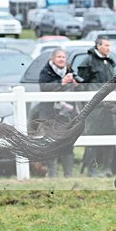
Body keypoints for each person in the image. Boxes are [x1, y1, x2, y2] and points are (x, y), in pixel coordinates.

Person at [78, 36, 116, 177]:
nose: (109, 48)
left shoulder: (109, 61)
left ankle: (107, 169)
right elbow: (83, 85)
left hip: (109, 105)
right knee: (93, 138)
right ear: (98, 46)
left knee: (112, 136)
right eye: (106, 45)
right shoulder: (88, 62)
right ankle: (91, 170)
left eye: (109, 46)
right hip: (95, 107)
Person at [38, 49, 79, 177]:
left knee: (68, 144)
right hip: (50, 114)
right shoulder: (45, 72)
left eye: (63, 57)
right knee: (51, 144)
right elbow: (44, 88)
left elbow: (79, 88)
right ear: (52, 59)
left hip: (67, 114)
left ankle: (68, 175)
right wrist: (61, 82)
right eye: (59, 57)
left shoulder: (69, 70)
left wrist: (77, 84)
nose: (62, 59)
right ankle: (52, 175)